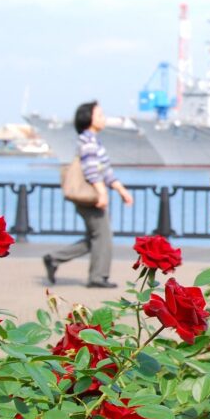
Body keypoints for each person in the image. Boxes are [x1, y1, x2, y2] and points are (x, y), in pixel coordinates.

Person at [43, 101, 133, 288]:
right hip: (90, 197)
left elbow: (106, 171)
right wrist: (102, 192)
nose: (104, 118)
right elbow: (92, 170)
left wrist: (121, 190)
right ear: (88, 119)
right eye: (99, 115)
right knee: (103, 236)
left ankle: (54, 259)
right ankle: (97, 277)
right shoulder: (89, 141)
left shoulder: (90, 140)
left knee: (96, 237)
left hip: (89, 196)